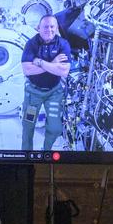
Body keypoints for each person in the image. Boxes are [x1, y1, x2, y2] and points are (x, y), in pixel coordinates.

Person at [21, 14, 72, 150]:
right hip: (33, 92)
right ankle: (26, 155)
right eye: (45, 27)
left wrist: (41, 62)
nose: (49, 30)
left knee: (55, 128)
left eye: (52, 26)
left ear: (56, 28)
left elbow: (63, 71)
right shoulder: (31, 44)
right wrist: (53, 64)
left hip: (54, 93)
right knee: (28, 125)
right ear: (39, 28)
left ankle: (46, 151)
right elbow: (27, 69)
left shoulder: (63, 44)